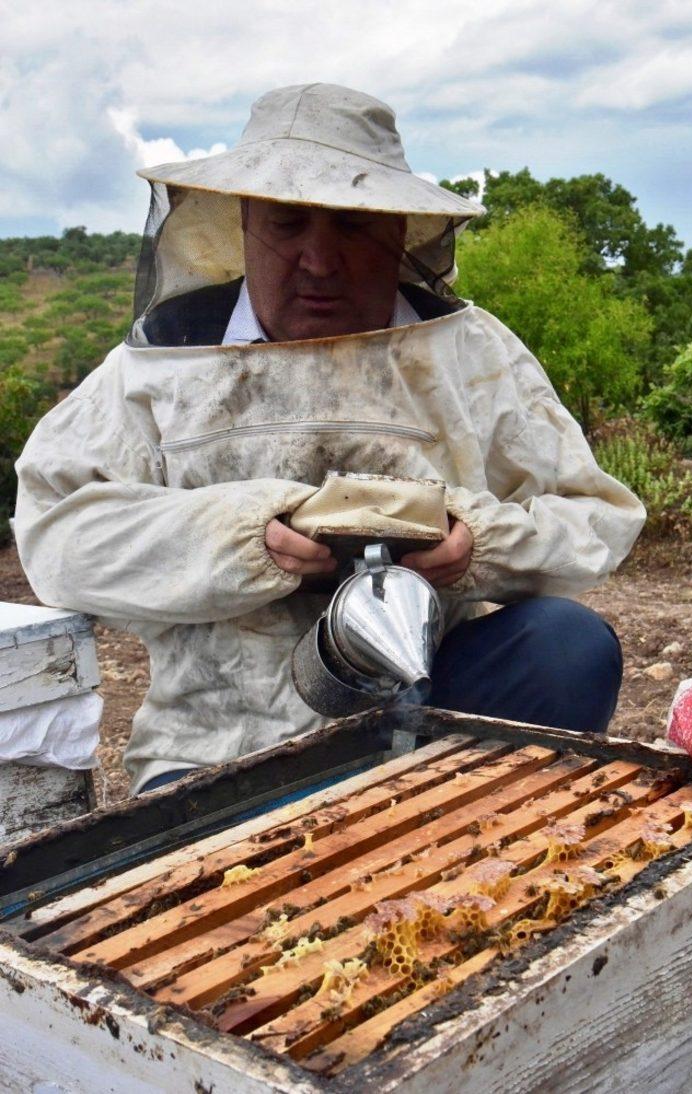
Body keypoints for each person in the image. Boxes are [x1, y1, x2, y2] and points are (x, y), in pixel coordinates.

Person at [14, 84, 645, 795]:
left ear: (400, 231)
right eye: (288, 224)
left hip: (437, 702)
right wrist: (244, 535)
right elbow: (57, 531)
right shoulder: (164, 361)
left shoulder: (470, 352)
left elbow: (595, 514)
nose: (320, 260)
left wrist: (478, 545)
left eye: (352, 226)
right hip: (221, 741)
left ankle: (452, 821)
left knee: (566, 648)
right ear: (243, 222)